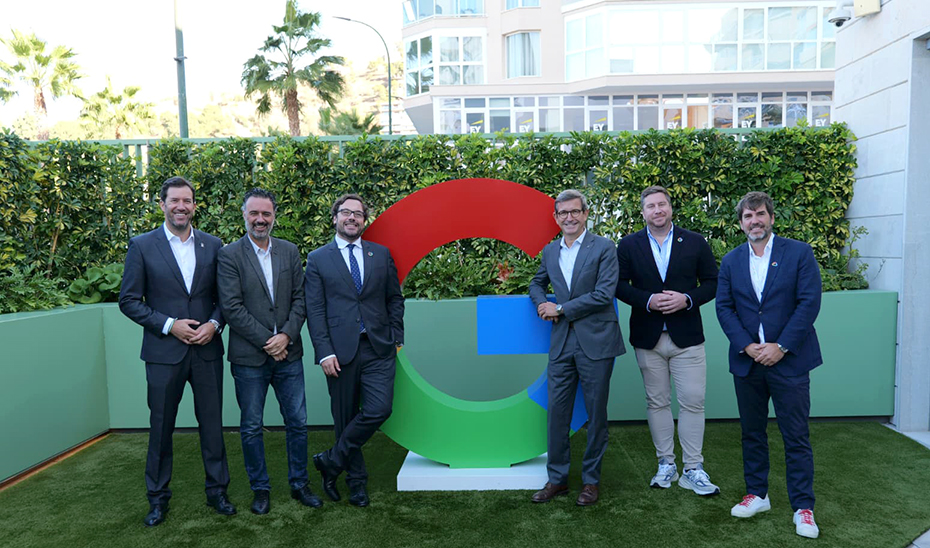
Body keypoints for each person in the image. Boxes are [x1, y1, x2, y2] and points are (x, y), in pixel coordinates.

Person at [118, 176, 235, 527]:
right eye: (174, 201)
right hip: (163, 353)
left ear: (194, 206)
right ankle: (157, 499)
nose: (181, 206)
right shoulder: (142, 245)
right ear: (162, 204)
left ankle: (217, 492)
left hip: (206, 352)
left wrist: (215, 324)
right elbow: (128, 301)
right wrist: (170, 325)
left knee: (213, 426)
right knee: (161, 427)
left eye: (187, 201)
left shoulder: (214, 245)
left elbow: (225, 299)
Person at [716, 191, 822, 539]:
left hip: (789, 361)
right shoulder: (731, 261)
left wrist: (781, 346)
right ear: (741, 223)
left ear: (771, 217)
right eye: (747, 216)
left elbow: (808, 303)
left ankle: (803, 508)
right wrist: (747, 346)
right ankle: (757, 494)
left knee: (795, 436)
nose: (754, 221)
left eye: (759, 214)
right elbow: (724, 308)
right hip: (748, 362)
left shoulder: (799, 253)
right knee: (751, 433)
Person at [217, 188, 322, 515]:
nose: (260, 219)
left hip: (289, 354)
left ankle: (299, 483)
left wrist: (287, 335)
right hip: (250, 359)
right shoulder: (229, 255)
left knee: (298, 423)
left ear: (274, 215)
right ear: (244, 215)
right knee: (251, 426)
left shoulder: (289, 252)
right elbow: (231, 308)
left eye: (266, 214)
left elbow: (301, 299)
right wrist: (269, 341)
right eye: (254, 213)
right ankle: (260, 489)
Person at [615, 186, 720, 495]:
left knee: (692, 402)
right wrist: (647, 300)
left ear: (670, 208)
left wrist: (687, 298)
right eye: (651, 206)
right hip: (648, 338)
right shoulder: (629, 245)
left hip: (687, 337)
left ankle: (693, 468)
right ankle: (666, 464)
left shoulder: (696, 242)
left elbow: (712, 283)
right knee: (657, 402)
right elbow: (618, 285)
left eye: (662, 204)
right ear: (643, 212)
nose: (657, 210)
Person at [304, 193, 405, 507]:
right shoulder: (318, 258)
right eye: (346, 213)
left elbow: (393, 299)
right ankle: (356, 483)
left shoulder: (381, 254)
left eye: (358, 214)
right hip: (339, 352)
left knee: (379, 409)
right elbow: (315, 309)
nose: (352, 218)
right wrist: (324, 352)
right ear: (335, 217)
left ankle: (331, 461)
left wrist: (396, 336)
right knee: (345, 418)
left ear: (365, 220)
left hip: (377, 347)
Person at [528, 189, 624, 506]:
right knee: (557, 414)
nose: (569, 217)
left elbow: (604, 293)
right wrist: (542, 303)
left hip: (597, 341)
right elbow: (535, 283)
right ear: (556, 218)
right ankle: (557, 480)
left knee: (596, 415)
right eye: (563, 213)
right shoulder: (550, 251)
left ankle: (591, 482)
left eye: (575, 211)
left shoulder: (605, 247)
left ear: (585, 214)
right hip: (561, 344)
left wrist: (561, 309)